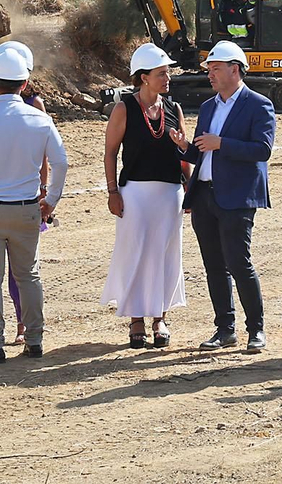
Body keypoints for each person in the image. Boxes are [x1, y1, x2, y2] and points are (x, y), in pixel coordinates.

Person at [0, 47, 69, 362]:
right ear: (24, 83)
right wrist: (51, 200)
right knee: (29, 275)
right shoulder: (40, 120)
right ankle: (33, 339)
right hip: (27, 209)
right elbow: (61, 162)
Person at [184, 40, 277, 353]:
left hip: (238, 197)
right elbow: (201, 150)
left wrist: (221, 143)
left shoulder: (259, 104)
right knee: (214, 266)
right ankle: (225, 329)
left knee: (240, 263)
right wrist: (181, 145)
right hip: (205, 196)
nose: (210, 74)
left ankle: (256, 331)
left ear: (235, 70)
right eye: (209, 69)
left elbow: (262, 150)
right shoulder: (209, 107)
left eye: (215, 68)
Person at [101, 43, 189, 348]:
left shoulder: (174, 109)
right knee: (135, 254)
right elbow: (110, 152)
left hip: (169, 194)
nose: (167, 78)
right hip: (134, 194)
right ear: (143, 77)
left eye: (168, 72)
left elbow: (183, 155)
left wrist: (189, 185)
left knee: (165, 255)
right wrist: (113, 191)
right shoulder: (124, 108)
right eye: (161, 73)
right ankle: (136, 320)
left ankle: (159, 319)